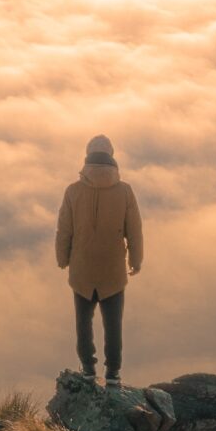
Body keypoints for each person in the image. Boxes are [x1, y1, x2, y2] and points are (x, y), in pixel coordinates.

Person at [55, 135, 143, 388]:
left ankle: (88, 369)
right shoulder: (125, 191)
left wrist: (62, 258)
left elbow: (64, 229)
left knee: (83, 323)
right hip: (113, 269)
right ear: (112, 156)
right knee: (113, 324)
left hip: (81, 268)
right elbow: (134, 230)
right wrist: (135, 260)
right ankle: (113, 374)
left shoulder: (73, 191)